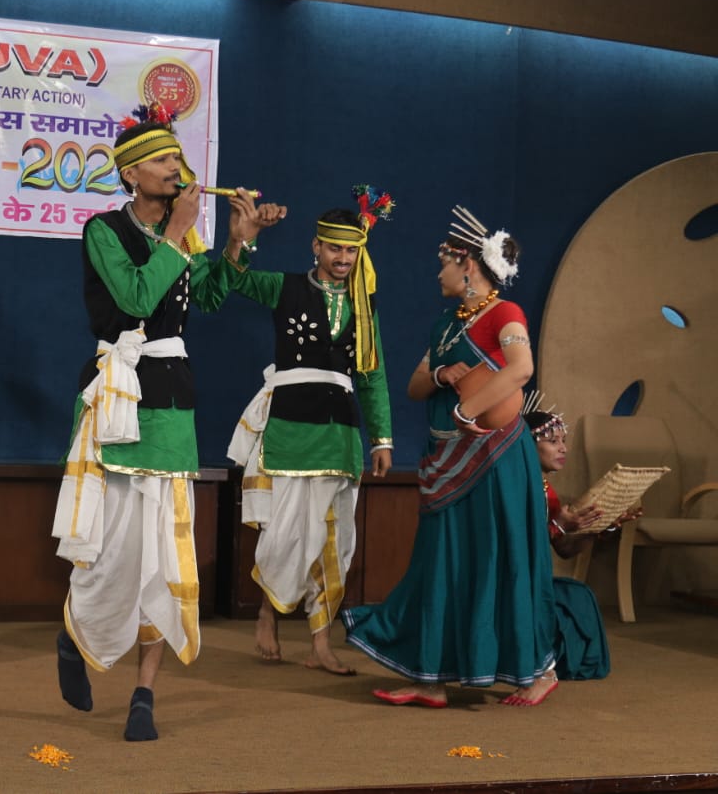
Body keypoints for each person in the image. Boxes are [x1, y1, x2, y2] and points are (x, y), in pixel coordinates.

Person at [52, 104, 285, 741]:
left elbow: (208, 296)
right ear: (130, 175)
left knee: (162, 555)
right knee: (111, 550)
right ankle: (76, 631)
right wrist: (180, 231)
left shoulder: (188, 232)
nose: (174, 169)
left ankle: (144, 695)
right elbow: (131, 299)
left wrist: (237, 240)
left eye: (177, 160)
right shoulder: (102, 230)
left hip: (174, 404)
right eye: (160, 160)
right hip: (121, 399)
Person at [342, 205, 558, 707]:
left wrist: (469, 410)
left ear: (467, 265)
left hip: (495, 459)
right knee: (444, 561)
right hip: (449, 460)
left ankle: (537, 672)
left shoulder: (506, 315)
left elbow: (522, 368)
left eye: (444, 263)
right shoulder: (446, 325)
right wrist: (445, 377)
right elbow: (417, 384)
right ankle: (430, 678)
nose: (438, 273)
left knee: (499, 559)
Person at [227, 186, 395, 675]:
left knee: (333, 540)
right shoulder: (285, 287)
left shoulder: (365, 308)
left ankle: (321, 644)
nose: (343, 258)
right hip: (290, 426)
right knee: (283, 537)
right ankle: (268, 610)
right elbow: (236, 280)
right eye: (334, 248)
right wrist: (245, 239)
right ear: (315, 247)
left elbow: (373, 374)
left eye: (351, 250)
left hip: (340, 433)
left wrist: (381, 439)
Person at [524, 402, 639, 684]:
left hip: (535, 580)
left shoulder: (547, 491)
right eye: (552, 442)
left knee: (579, 596)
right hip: (512, 583)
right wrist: (561, 524)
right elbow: (521, 543)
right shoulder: (517, 486)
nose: (563, 448)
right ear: (526, 446)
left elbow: (563, 549)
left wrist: (605, 525)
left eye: (563, 441)